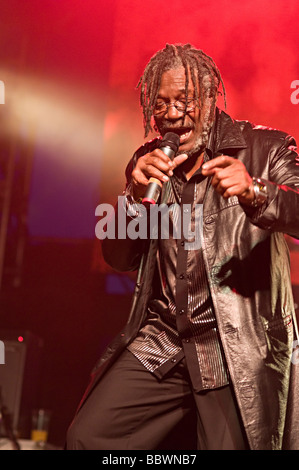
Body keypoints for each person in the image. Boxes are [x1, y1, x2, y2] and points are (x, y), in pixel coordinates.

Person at [67, 43, 299, 450]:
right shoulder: (149, 161)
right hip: (167, 338)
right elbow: (119, 257)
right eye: (161, 104)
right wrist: (134, 197)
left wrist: (256, 191)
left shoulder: (266, 148)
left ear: (210, 98)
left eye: (184, 101)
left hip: (234, 344)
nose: (172, 114)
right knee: (89, 437)